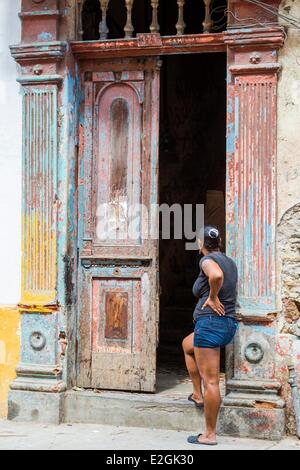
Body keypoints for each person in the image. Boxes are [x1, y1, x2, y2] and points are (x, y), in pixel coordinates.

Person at [183, 225, 238, 446]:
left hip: (211, 324)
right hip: (227, 324)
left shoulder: (205, 261)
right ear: (219, 241)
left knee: (212, 381)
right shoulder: (230, 261)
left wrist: (213, 297)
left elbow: (215, 276)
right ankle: (197, 394)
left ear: (200, 243)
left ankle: (209, 434)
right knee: (187, 345)